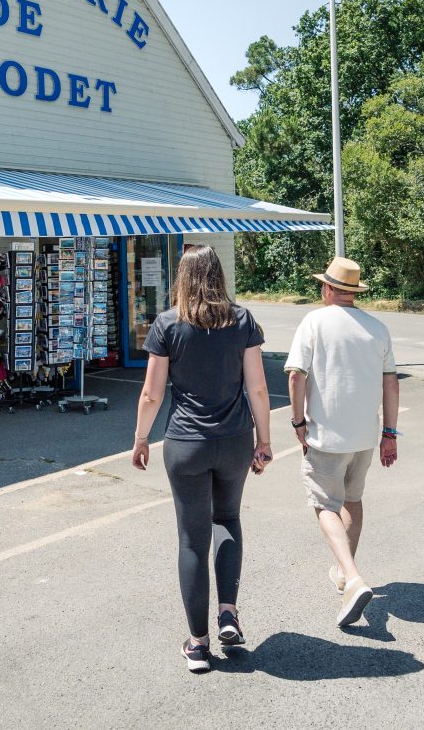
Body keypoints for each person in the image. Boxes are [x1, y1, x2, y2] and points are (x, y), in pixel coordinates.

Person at [131, 245, 274, 673]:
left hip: (186, 444)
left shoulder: (167, 324)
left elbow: (152, 394)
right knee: (227, 519)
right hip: (234, 441)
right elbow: (258, 388)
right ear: (218, 275)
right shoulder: (242, 320)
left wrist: (141, 438)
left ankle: (198, 645)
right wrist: (264, 440)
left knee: (192, 539)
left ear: (183, 277)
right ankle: (228, 613)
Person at [285, 256, 400, 628]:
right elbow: (390, 383)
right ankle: (341, 572)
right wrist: (389, 434)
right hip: (365, 437)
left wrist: (298, 421)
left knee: (324, 504)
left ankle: (352, 579)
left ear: (328, 288)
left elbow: (296, 376)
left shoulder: (314, 321)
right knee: (353, 500)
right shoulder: (377, 328)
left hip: (326, 436)